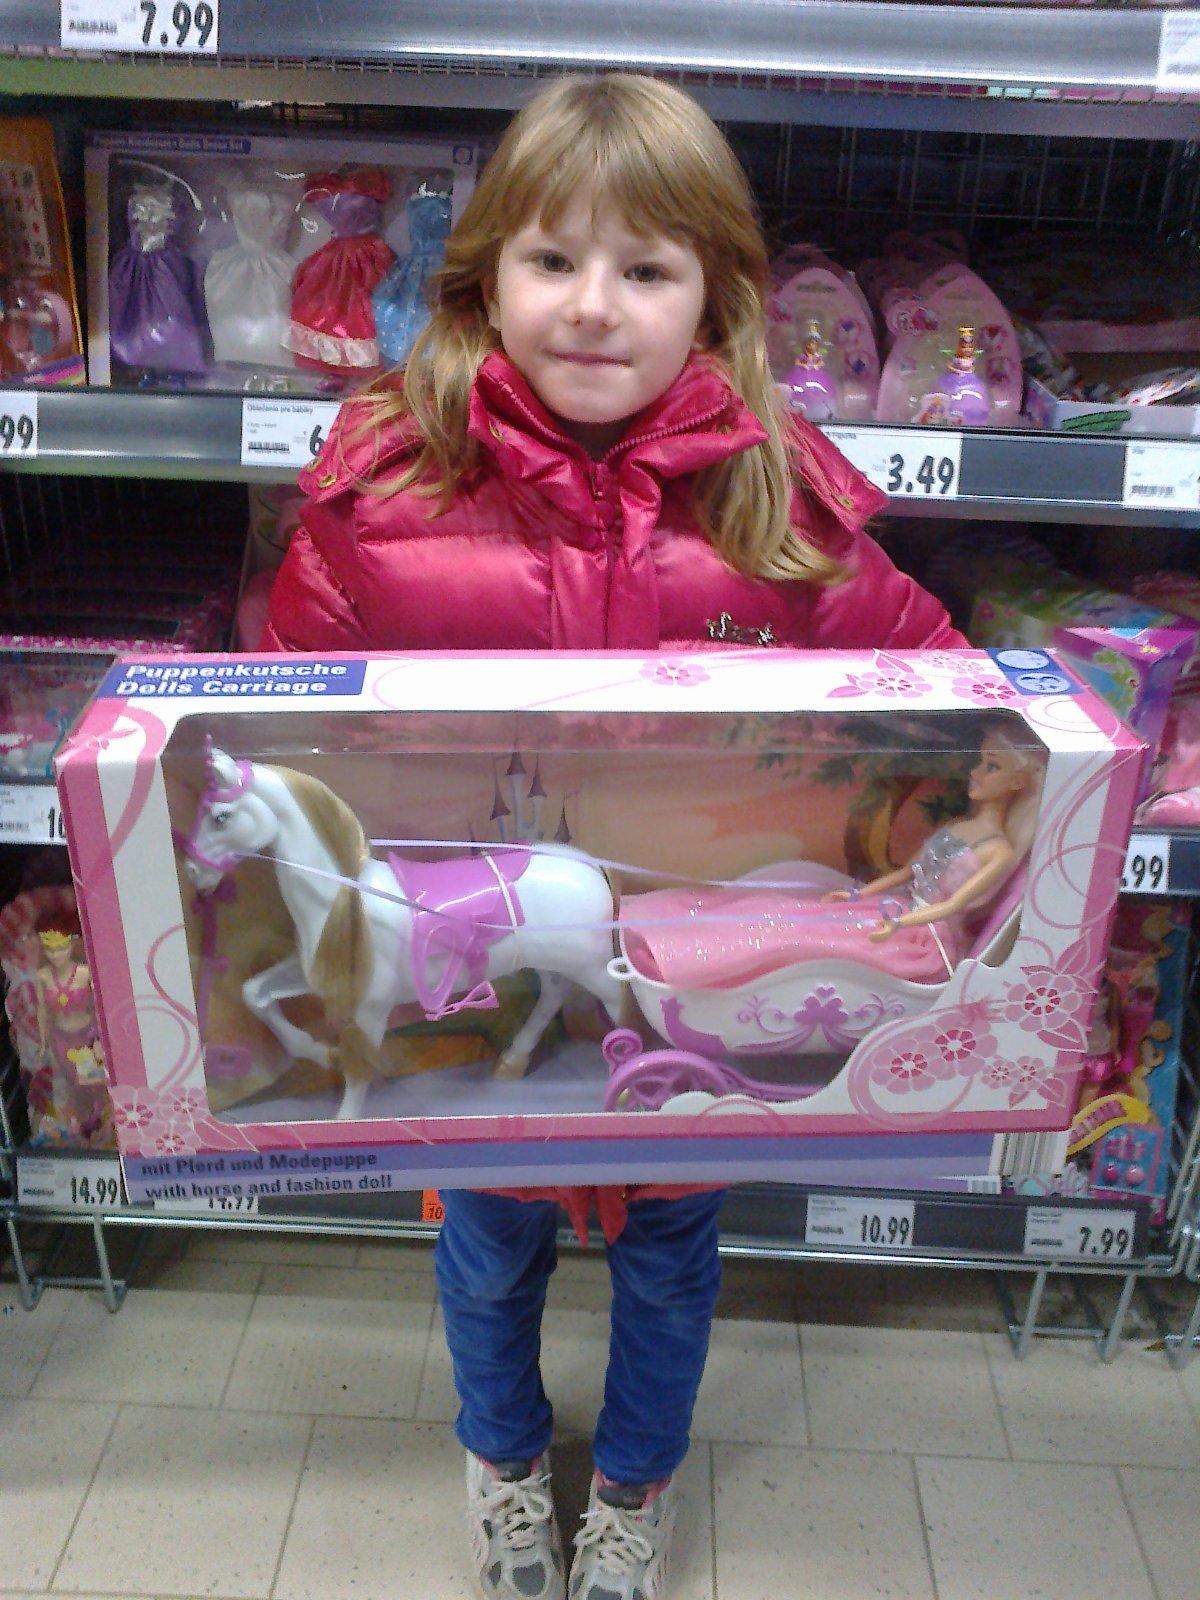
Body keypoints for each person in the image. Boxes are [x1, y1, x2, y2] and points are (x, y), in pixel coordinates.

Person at [263, 72, 965, 1600]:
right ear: (485, 275)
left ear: (716, 295)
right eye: (552, 258)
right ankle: (505, 1460)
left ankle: (634, 1485)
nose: (592, 305)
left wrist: (1009, 779)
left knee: (670, 1261)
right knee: (484, 1250)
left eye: (645, 268)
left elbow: (935, 688)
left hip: (691, 997)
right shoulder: (385, 493)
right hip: (481, 988)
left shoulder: (777, 501)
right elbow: (286, 721)